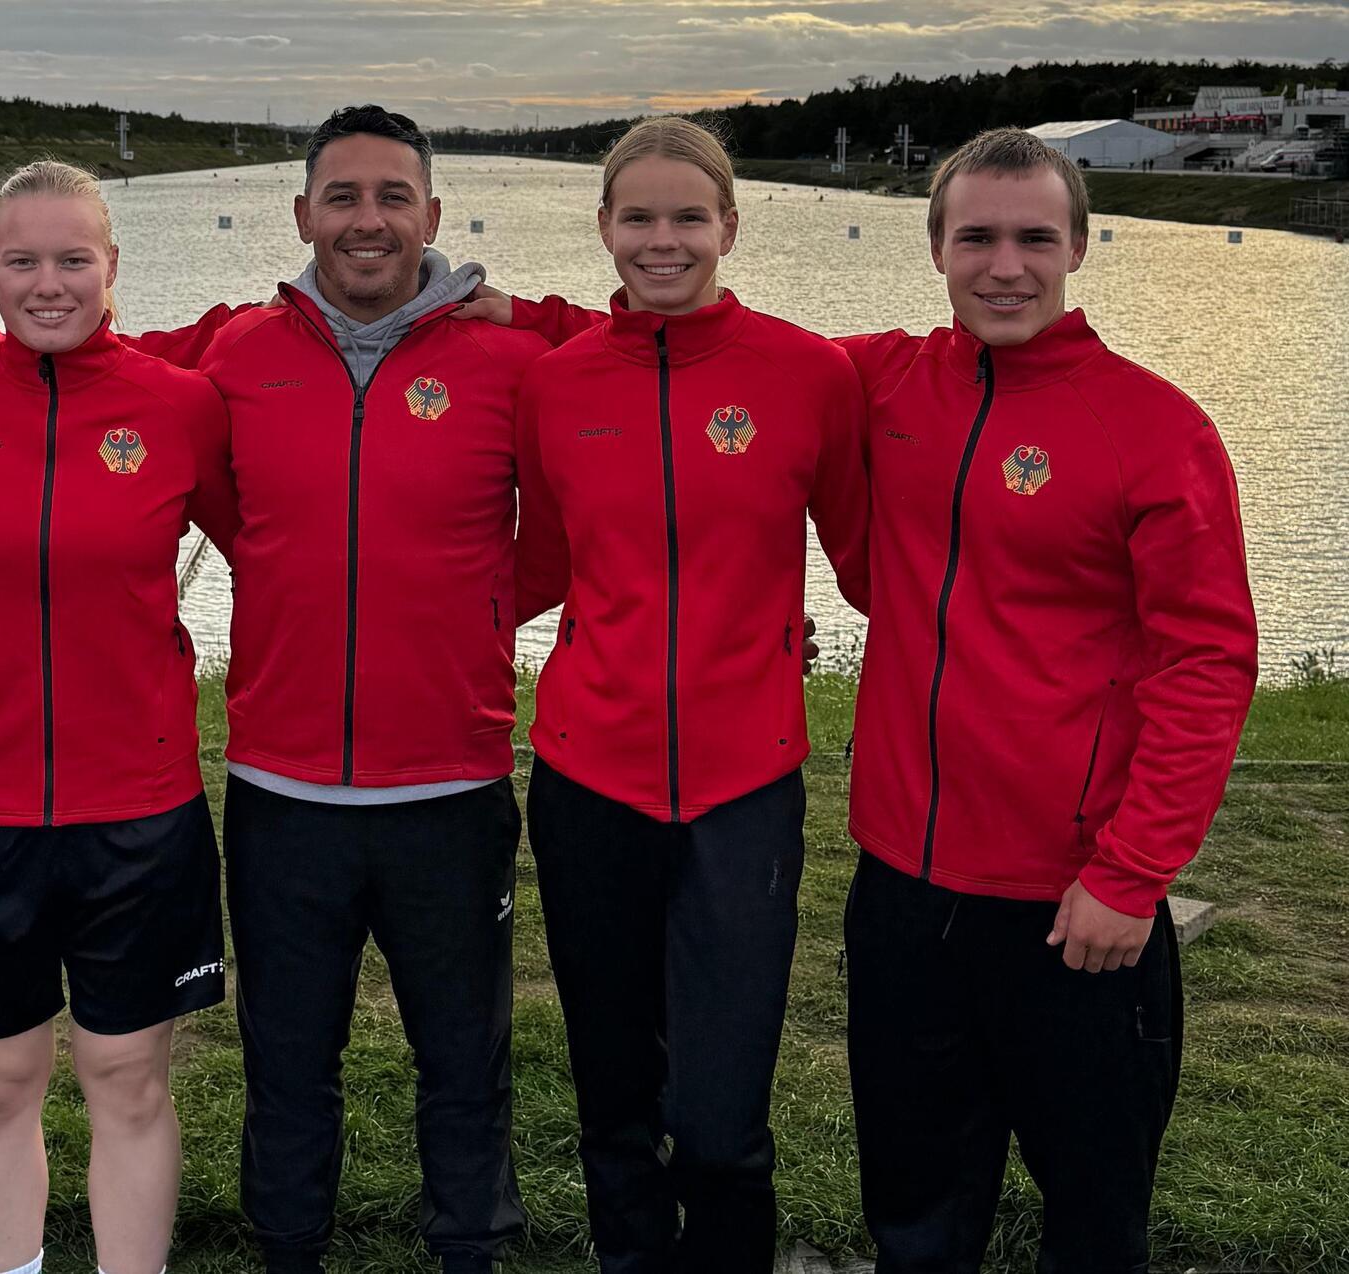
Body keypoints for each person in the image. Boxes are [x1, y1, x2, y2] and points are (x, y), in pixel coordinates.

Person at [837, 128, 1257, 1272]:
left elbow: (1208, 665)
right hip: (906, 895)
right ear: (936, 248)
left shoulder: (1156, 428)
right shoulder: (887, 380)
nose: (1004, 264)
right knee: (918, 1210)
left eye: (1033, 237)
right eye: (976, 236)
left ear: (1077, 245)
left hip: (1078, 911)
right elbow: (719, 359)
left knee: (1093, 1211)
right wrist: (497, 315)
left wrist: (1131, 876)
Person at [145, 105, 548, 1274]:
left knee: (466, 1055)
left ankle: (468, 1246)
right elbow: (106, 375)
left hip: (451, 785)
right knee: (287, 1058)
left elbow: (561, 542)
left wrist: (461, 615)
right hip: (282, 791)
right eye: (343, 197)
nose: (366, 221)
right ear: (303, 214)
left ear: (432, 213)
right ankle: (288, 1248)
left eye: (391, 196)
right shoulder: (235, 355)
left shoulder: (515, 363)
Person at [511, 117, 869, 1273]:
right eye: (638, 218)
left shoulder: (809, 373)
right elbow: (540, 563)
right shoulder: (556, 385)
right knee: (614, 1100)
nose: (662, 241)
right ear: (604, 227)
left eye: (687, 217)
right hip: (586, 778)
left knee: (719, 1119)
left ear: (730, 224)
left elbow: (875, 564)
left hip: (743, 788)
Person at [0, 161, 237, 1274]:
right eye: (24, 260)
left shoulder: (181, 406)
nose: (50, 283)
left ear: (112, 267)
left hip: (137, 809)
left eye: (74, 258)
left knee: (125, 1072)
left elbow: (277, 560)